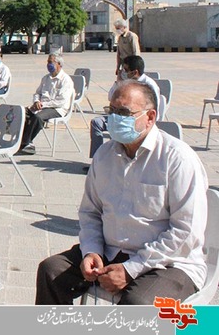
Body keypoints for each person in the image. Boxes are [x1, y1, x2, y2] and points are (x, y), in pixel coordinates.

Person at [36, 80, 208, 305]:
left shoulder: (177, 159)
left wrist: (131, 269)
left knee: (137, 304)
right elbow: (90, 212)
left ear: (150, 117)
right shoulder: (105, 155)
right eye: (112, 110)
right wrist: (91, 251)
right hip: (112, 251)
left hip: (168, 262)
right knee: (51, 271)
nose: (115, 118)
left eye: (124, 113)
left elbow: (185, 231)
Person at [86, 55, 161, 166]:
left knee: (119, 127)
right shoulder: (126, 83)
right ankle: (96, 160)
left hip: (134, 118)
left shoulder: (148, 85)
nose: (122, 72)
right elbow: (111, 98)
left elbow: (153, 110)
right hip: (120, 114)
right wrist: (119, 82)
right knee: (97, 122)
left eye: (125, 70)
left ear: (134, 72)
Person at [17, 53, 74, 155]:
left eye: (51, 62)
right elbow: (37, 93)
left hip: (57, 109)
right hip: (42, 106)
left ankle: (26, 142)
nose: (48, 64)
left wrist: (42, 105)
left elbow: (61, 101)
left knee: (38, 117)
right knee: (21, 112)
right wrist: (36, 101)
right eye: (48, 62)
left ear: (59, 64)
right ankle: (20, 140)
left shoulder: (66, 80)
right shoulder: (46, 78)